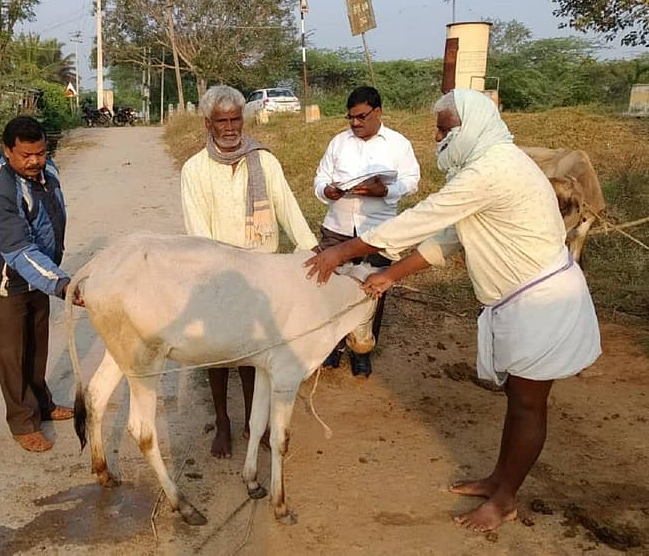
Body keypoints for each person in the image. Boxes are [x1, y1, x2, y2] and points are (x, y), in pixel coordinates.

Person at [304, 89, 601, 532]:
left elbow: (421, 219)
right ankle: (499, 480)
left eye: (446, 128)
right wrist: (392, 275)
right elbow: (450, 236)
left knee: (527, 405)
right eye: (438, 128)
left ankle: (504, 501)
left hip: (544, 303)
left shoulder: (492, 170)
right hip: (523, 302)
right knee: (518, 401)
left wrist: (341, 252)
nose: (439, 137)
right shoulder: (488, 166)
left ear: (473, 126)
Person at [181, 85, 319, 458]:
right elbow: (198, 231)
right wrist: (217, 272)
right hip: (217, 273)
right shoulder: (194, 169)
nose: (230, 127)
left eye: (235, 119)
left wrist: (311, 249)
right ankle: (223, 422)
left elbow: (286, 206)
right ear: (208, 124)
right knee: (217, 353)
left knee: (255, 354)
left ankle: (251, 421)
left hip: (262, 269)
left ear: (244, 118)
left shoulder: (264, 161)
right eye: (222, 121)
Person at [0, 116, 77, 453]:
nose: (35, 162)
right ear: (7, 151)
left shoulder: (49, 173)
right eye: (26, 155)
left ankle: (42, 404)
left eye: (41, 153)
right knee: (12, 355)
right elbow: (18, 250)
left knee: (36, 347)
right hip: (4, 283)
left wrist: (50, 277)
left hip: (38, 277)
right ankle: (22, 421)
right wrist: (61, 285)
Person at [313, 86, 420, 375]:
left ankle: (362, 350)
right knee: (331, 287)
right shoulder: (338, 142)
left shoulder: (398, 144)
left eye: (361, 117)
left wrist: (386, 190)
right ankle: (332, 347)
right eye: (350, 118)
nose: (355, 123)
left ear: (378, 112)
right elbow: (321, 176)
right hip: (337, 227)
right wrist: (327, 190)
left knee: (373, 288)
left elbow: (412, 181)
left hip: (379, 230)